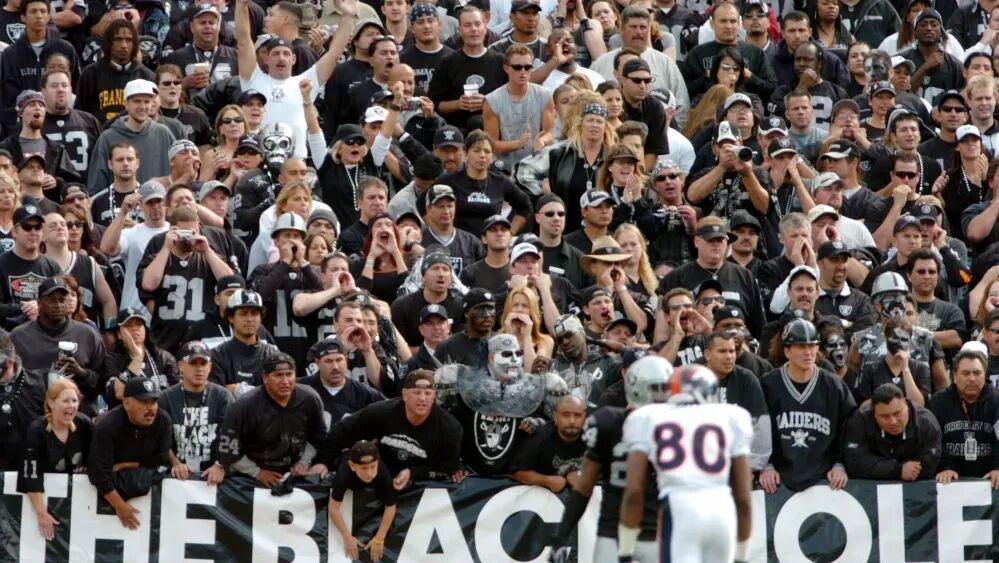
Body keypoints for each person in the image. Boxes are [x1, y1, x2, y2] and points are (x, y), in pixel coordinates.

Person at [620, 362, 753, 563]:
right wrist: (741, 556)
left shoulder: (648, 417)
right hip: (721, 508)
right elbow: (743, 498)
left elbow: (634, 492)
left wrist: (625, 551)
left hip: (679, 507)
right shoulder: (732, 416)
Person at [235, 0, 352, 159]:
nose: (281, 58)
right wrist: (241, 5)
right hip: (258, 161)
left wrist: (347, 15)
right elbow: (243, 42)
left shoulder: (305, 83)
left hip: (297, 163)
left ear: (294, 59)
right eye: (275, 53)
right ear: (266, 58)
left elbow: (335, 53)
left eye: (286, 54)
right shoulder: (253, 79)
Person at [759, 319, 857, 493]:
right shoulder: (768, 385)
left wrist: (840, 464)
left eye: (812, 346)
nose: (808, 352)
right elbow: (757, 431)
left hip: (825, 479)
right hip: (778, 477)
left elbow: (849, 429)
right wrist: (766, 465)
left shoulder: (834, 386)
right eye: (800, 346)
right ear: (787, 351)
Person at [325, 369, 464, 490]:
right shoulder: (380, 412)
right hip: (378, 471)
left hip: (418, 481)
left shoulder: (449, 427)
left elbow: (448, 467)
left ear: (434, 396)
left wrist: (413, 473)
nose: (422, 398)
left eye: (428, 393)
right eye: (416, 393)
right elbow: (342, 431)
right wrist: (322, 461)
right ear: (404, 394)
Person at [218, 353, 328, 486]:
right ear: (265, 377)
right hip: (252, 474)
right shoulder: (244, 406)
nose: (285, 381)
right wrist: (256, 472)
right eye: (278, 375)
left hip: (297, 470)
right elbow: (228, 451)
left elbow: (318, 438)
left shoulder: (310, 398)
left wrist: (304, 462)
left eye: (289, 374)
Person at [138, 207, 234, 354]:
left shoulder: (209, 257)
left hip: (202, 343)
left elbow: (230, 282)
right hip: (165, 340)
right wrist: (166, 247)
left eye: (192, 232)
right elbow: (148, 285)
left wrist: (207, 250)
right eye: (184, 232)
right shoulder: (158, 258)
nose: (188, 238)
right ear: (172, 230)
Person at [659, 216, 767, 337]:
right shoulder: (675, 277)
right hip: (691, 345)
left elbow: (759, 326)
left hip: (738, 344)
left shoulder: (745, 276)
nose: (716, 244)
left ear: (727, 243)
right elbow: (662, 331)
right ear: (696, 241)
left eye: (720, 240)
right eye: (710, 239)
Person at [87, 377, 172, 530]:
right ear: (126, 403)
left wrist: (127, 464)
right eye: (144, 402)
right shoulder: (107, 424)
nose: (151, 408)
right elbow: (98, 474)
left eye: (153, 402)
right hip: (104, 501)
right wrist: (120, 506)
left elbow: (162, 459)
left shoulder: (163, 420)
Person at [11, 275, 106, 408]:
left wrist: (81, 373)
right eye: (51, 300)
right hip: (32, 411)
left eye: (62, 300)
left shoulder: (87, 334)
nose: (58, 305)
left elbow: (103, 383)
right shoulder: (19, 336)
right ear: (39, 303)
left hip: (76, 412)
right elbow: (9, 381)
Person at [17, 378, 91, 540]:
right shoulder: (36, 430)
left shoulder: (84, 424)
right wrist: (42, 514)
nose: (71, 405)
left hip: (79, 501)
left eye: (74, 401)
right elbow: (30, 476)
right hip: (43, 501)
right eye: (66, 401)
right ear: (51, 403)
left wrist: (85, 466)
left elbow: (95, 459)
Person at [157, 340, 231, 483]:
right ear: (180, 366)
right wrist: (174, 462)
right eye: (193, 363)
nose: (199, 369)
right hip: (176, 476)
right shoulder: (165, 398)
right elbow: (158, 439)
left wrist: (220, 465)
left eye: (203, 363)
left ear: (210, 367)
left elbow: (232, 435)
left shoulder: (223, 396)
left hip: (214, 474)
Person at [0, 0, 78, 132]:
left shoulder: (65, 49)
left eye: (43, 11)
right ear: (23, 17)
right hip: (24, 128)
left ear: (48, 16)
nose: (39, 16)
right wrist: (15, 128)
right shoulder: (10, 54)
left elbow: (76, 88)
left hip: (63, 126)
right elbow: (7, 98)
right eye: (33, 11)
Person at [428, 7, 507, 131]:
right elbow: (435, 104)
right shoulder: (447, 62)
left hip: (495, 132)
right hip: (458, 133)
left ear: (485, 28)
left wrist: (489, 103)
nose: (473, 29)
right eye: (467, 25)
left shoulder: (501, 62)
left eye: (477, 24)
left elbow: (513, 100)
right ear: (459, 30)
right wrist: (457, 104)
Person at [843, 382, 942, 480]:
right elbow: (854, 461)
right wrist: (897, 470)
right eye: (885, 416)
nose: (893, 422)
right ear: (874, 413)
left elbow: (930, 464)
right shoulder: (860, 420)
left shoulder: (926, 423)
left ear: (906, 406)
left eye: (897, 413)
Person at [88, 79, 176, 189]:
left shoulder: (163, 133)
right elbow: (96, 185)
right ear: (126, 104)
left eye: (146, 102)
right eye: (137, 101)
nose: (142, 106)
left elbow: (179, 175)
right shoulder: (107, 138)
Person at [437, 130, 530, 235]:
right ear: (466, 153)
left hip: (491, 243)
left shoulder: (500, 181)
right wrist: (438, 232)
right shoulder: (450, 180)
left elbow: (525, 206)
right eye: (476, 150)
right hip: (460, 243)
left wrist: (510, 232)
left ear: (492, 156)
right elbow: (424, 203)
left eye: (487, 151)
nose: (482, 155)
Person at [929, 350, 999, 487]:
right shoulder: (938, 402)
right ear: (954, 376)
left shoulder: (996, 401)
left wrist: (998, 467)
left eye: (977, 373)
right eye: (966, 373)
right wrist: (944, 467)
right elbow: (932, 440)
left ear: (985, 375)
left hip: (989, 480)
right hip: (950, 481)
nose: (972, 378)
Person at [99, 180, 170, 311]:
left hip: (166, 311)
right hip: (134, 313)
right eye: (150, 202)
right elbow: (107, 249)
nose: (155, 206)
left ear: (165, 202)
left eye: (159, 201)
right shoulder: (132, 233)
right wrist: (122, 213)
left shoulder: (174, 232)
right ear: (141, 205)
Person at [0, 90, 79, 199]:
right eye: (31, 104)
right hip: (16, 204)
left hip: (49, 204)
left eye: (41, 105)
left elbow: (73, 182)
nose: (37, 108)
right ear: (21, 113)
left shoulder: (56, 149)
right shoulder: (6, 148)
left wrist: (57, 182)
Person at [329, 440, 397, 562]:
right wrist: (347, 537)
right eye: (364, 468)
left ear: (378, 461)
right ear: (352, 466)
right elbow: (333, 508)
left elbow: (391, 506)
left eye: (372, 467)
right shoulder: (344, 473)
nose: (369, 473)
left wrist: (379, 538)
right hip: (345, 468)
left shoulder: (382, 471)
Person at [100, 307, 179, 410]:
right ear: (119, 334)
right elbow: (118, 393)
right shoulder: (111, 360)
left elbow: (178, 395)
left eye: (139, 324)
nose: (135, 328)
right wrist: (137, 358)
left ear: (145, 330)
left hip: (162, 414)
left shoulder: (164, 357)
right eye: (128, 325)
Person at [299, 338, 384, 429]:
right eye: (328, 361)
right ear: (317, 362)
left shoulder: (366, 394)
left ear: (346, 360)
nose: (335, 367)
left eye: (339, 360)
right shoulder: (301, 389)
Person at [0, 205, 62, 329]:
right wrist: (25, 307)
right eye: (27, 227)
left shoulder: (52, 266)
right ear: (14, 232)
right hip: (8, 334)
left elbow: (63, 301)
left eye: (38, 227)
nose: (33, 232)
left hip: (46, 333)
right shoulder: (1, 263)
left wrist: (39, 306)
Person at [208, 289, 280, 394]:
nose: (249, 319)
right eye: (243, 313)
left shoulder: (273, 354)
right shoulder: (217, 355)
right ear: (231, 317)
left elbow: (279, 392)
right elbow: (214, 395)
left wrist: (235, 389)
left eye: (254, 313)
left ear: (261, 318)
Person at [510, 394, 586, 490]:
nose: (572, 421)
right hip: (542, 494)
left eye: (577, 415)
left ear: (584, 418)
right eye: (566, 415)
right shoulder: (539, 437)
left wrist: (582, 475)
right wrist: (546, 480)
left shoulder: (595, 437)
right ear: (555, 416)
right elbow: (516, 472)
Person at [419, 185, 485, 275]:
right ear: (428, 210)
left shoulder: (471, 243)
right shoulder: (419, 241)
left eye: (450, 206)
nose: (446, 211)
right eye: (441, 207)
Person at [904, 10, 964, 102]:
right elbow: (901, 94)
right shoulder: (903, 60)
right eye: (923, 25)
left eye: (934, 25)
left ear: (941, 32)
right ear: (915, 32)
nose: (929, 28)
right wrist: (925, 67)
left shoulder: (955, 65)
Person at [400, 4, 454, 95]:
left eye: (431, 21)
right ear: (412, 28)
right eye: (420, 22)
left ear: (439, 24)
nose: (426, 26)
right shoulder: (403, 60)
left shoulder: (453, 58)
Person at [435, 288, 495, 367]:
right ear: (466, 313)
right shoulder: (448, 347)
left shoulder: (503, 343)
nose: (487, 314)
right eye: (480, 309)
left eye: (491, 308)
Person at [461, 214, 512, 294]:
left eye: (503, 229)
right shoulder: (470, 273)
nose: (499, 233)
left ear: (510, 237)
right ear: (484, 238)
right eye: (493, 230)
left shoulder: (520, 270)